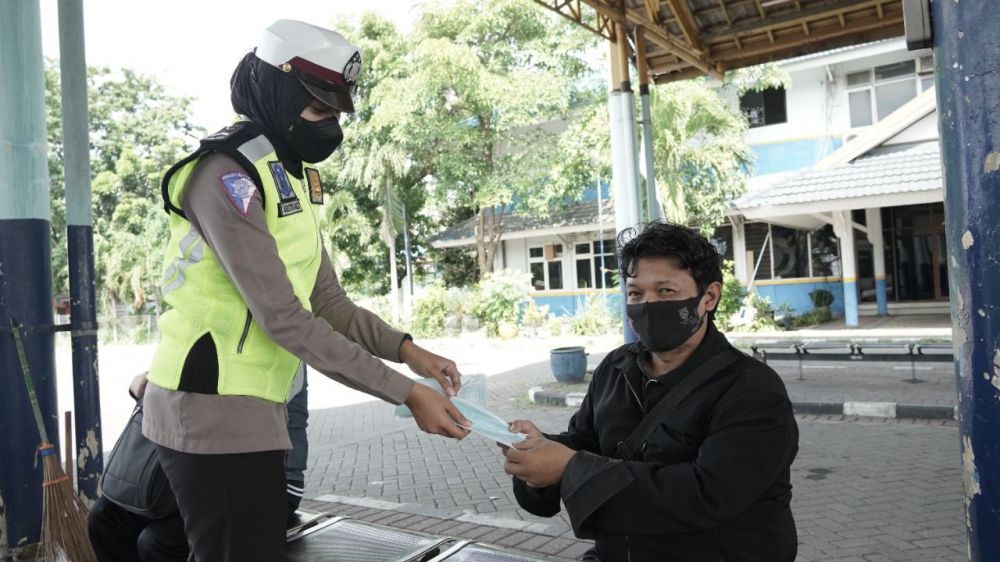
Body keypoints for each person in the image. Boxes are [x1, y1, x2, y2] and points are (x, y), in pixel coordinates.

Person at [141, 20, 470, 561]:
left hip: (257, 408)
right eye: (319, 111)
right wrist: (406, 393)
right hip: (211, 409)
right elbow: (284, 319)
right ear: (279, 93)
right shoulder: (227, 174)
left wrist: (411, 352)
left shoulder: (288, 177)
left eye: (337, 115)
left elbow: (328, 303)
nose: (330, 128)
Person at [502, 222, 799, 562]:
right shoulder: (615, 369)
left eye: (666, 291)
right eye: (635, 293)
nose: (647, 305)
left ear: (709, 297)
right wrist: (539, 452)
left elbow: (707, 494)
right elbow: (586, 442)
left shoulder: (751, 390)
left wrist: (569, 467)